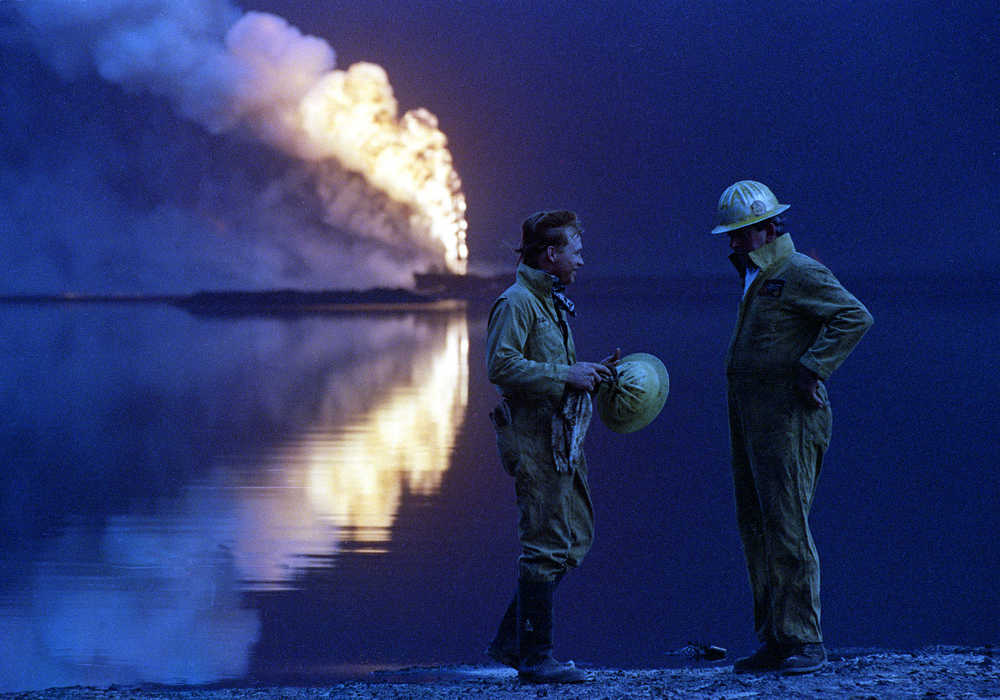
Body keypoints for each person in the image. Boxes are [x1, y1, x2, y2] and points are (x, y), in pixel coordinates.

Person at [711, 180, 873, 675]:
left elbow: (853, 316)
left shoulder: (798, 271)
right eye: (731, 235)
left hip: (789, 422)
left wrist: (813, 367)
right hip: (754, 421)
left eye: (739, 234)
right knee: (756, 527)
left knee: (786, 525)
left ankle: (805, 640)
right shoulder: (758, 278)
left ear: (764, 230)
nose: (732, 243)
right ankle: (775, 639)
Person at [484, 210, 618, 683]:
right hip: (534, 441)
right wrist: (566, 375)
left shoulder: (549, 302)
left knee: (575, 538)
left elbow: (545, 366)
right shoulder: (517, 302)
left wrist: (586, 372)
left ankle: (512, 643)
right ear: (552, 254)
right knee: (543, 546)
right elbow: (501, 367)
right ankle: (536, 658)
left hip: (563, 440)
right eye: (575, 250)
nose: (582, 259)